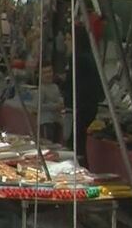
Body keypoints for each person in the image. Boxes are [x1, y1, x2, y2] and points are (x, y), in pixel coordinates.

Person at [64, 25, 103, 164]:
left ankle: (79, 166)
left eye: (68, 39)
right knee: (80, 141)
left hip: (81, 106)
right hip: (88, 105)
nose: (66, 42)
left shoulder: (78, 59)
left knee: (76, 142)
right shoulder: (90, 56)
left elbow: (74, 85)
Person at [37, 64, 64, 143]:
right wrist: (55, 106)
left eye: (50, 71)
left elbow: (59, 98)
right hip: (46, 122)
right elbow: (39, 106)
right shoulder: (41, 89)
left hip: (57, 121)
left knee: (57, 144)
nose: (48, 75)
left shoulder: (55, 87)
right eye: (45, 72)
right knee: (48, 144)